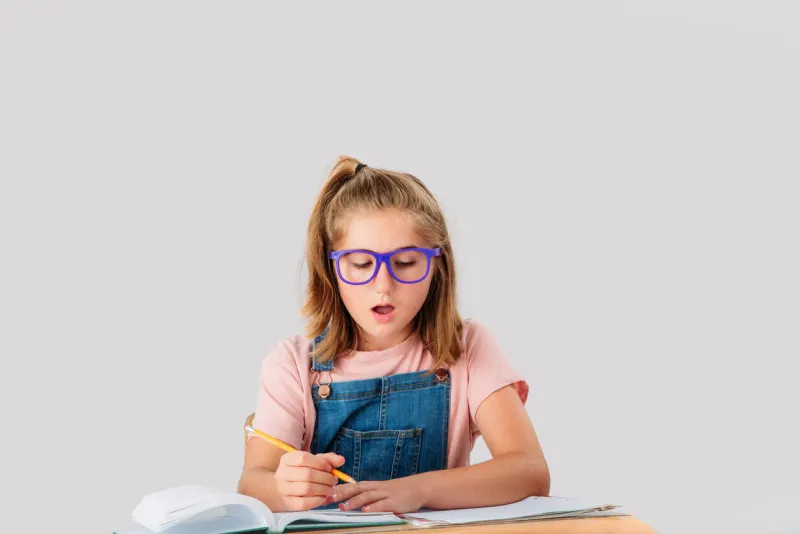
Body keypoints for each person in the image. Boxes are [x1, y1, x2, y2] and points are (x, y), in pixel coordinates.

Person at [237, 156, 550, 514]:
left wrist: (417, 490)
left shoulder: (468, 348)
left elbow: (529, 470)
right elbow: (252, 482)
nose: (383, 285)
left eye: (405, 263)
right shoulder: (292, 364)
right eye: (361, 264)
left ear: (437, 265)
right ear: (332, 267)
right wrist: (284, 488)